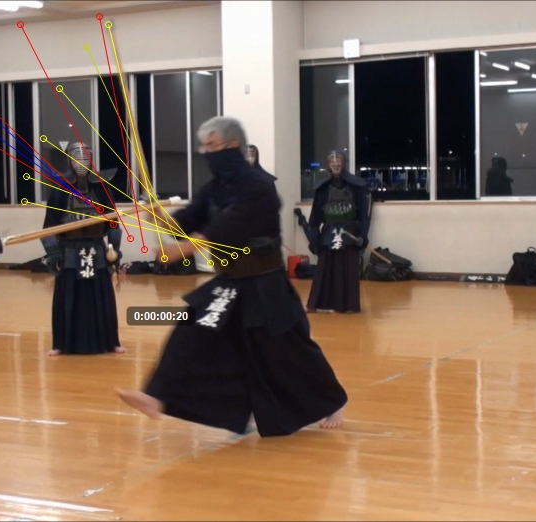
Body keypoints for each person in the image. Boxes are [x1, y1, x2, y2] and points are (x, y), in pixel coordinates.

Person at [115, 116, 347, 436]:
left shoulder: (260, 186)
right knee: (191, 330)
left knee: (287, 350)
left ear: (232, 145)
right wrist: (158, 216)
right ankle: (157, 397)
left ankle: (333, 400)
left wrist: (185, 248)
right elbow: (187, 221)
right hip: (229, 281)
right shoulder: (213, 189)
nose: (206, 153)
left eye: (212, 146)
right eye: (204, 147)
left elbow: (230, 225)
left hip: (264, 283)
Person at [41, 141, 125, 357]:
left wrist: (114, 248)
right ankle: (61, 344)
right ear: (69, 160)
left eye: (85, 157)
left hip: (96, 248)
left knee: (101, 297)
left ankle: (110, 342)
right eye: (76, 158)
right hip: (69, 249)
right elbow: (48, 228)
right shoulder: (60, 187)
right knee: (68, 296)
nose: (81, 162)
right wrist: (54, 254)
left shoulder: (101, 187)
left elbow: (113, 223)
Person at [304, 150, 370, 314]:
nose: (335, 164)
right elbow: (315, 218)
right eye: (332, 161)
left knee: (349, 270)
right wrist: (315, 240)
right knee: (323, 270)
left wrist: (362, 236)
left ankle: (348, 304)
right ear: (327, 164)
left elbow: (363, 216)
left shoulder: (356, 187)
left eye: (338, 161)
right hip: (329, 232)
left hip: (349, 233)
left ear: (344, 163)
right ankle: (316, 303)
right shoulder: (322, 188)